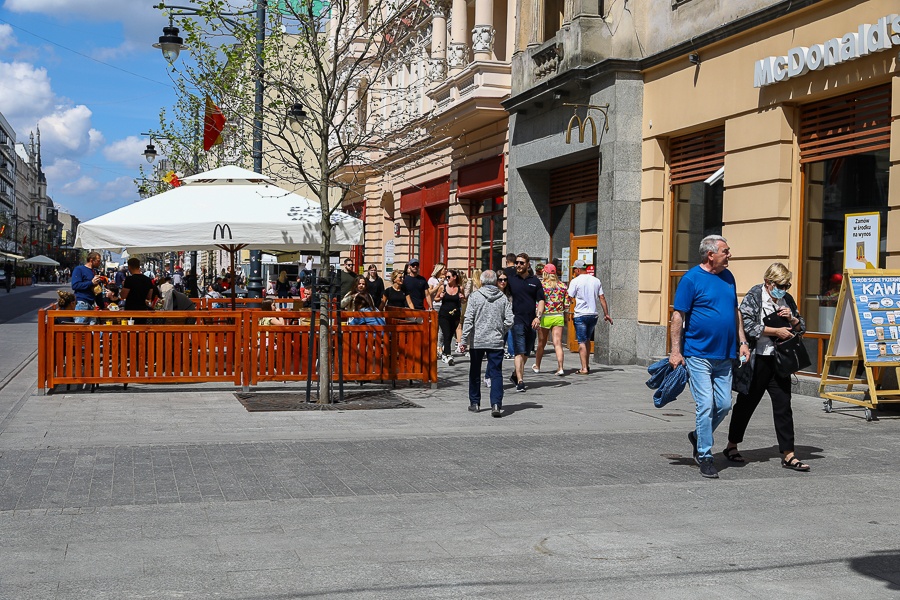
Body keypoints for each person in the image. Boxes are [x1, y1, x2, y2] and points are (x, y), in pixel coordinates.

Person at [670, 235, 750, 480]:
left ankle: (697, 435)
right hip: (698, 354)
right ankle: (705, 455)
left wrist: (743, 342)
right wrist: (676, 350)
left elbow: (734, 312)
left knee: (724, 405)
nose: (730, 254)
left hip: (724, 355)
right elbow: (678, 316)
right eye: (726, 251)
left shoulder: (728, 277)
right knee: (705, 405)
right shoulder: (691, 279)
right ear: (710, 255)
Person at [725, 263, 810, 472]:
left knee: (783, 405)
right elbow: (745, 325)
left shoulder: (786, 299)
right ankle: (732, 445)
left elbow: (802, 327)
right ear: (768, 282)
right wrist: (775, 331)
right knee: (746, 403)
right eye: (781, 284)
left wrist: (792, 319)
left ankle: (789, 454)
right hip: (758, 360)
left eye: (787, 284)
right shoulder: (755, 295)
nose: (785, 288)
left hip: (779, 360)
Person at [460, 270, 513, 417]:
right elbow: (510, 319)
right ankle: (496, 404)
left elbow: (468, 319)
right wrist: (501, 330)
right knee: (496, 373)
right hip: (496, 341)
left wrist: (464, 340)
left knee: (475, 371)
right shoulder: (502, 298)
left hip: (477, 340)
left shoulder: (475, 297)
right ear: (496, 281)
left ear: (481, 282)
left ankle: (475, 402)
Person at [506, 252, 545, 392]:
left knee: (527, 352)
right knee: (519, 350)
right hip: (517, 319)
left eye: (521, 263)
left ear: (528, 264)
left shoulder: (535, 281)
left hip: (532, 321)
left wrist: (538, 317)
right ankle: (520, 381)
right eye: (517, 262)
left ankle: (516, 374)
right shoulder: (511, 280)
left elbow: (541, 300)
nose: (518, 265)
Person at [567, 259, 613, 375]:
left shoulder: (575, 281)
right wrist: (606, 314)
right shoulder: (596, 280)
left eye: (574, 269)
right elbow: (602, 297)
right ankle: (586, 364)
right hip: (593, 315)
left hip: (581, 315)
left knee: (581, 341)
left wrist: (566, 308)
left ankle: (584, 368)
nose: (574, 271)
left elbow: (569, 297)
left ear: (577, 269)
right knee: (587, 339)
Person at [534, 263, 568, 376]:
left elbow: (538, 302)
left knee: (541, 343)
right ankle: (560, 367)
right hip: (558, 316)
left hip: (545, 316)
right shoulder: (563, 286)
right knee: (557, 343)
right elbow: (567, 304)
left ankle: (537, 365)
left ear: (545, 273)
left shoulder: (542, 285)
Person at [435, 269, 465, 365]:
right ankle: (448, 355)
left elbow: (464, 301)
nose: (447, 279)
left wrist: (462, 297)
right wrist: (441, 297)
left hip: (455, 315)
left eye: (448, 277)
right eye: (446, 277)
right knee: (446, 333)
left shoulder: (460, 288)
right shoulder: (443, 287)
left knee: (450, 334)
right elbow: (435, 298)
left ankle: (444, 353)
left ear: (454, 277)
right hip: (444, 314)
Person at [71, 251, 104, 324]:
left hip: (91, 303)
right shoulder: (79, 269)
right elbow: (75, 285)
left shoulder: (94, 271)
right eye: (98, 261)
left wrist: (101, 305)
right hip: (82, 302)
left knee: (92, 328)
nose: (99, 263)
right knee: (80, 327)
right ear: (91, 260)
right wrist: (91, 282)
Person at [496, 270, 514, 360]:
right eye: (500, 280)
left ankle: (509, 351)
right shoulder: (493, 293)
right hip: (496, 322)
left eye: (505, 280)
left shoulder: (509, 294)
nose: (503, 282)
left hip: (506, 321)